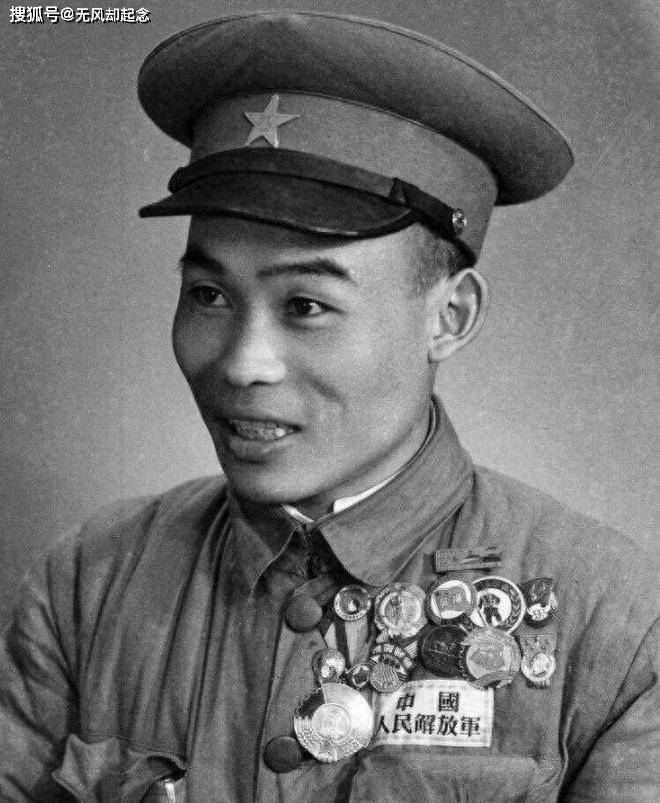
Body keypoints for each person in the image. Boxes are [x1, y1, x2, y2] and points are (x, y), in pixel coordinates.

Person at [0, 11, 657, 802]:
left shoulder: (612, 623)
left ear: (449, 317)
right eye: (208, 294)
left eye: (306, 305)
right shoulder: (87, 585)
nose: (242, 362)